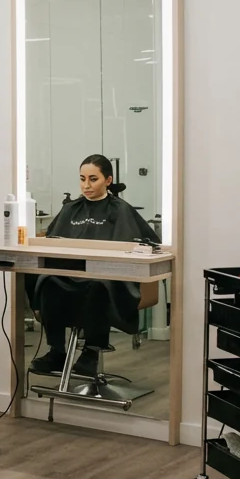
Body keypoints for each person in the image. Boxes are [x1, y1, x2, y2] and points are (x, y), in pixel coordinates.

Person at [30, 155, 161, 376]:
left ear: (108, 180)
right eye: (82, 179)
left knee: (98, 284)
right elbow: (52, 241)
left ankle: (91, 352)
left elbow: (147, 244)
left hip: (109, 276)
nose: (86, 185)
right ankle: (57, 352)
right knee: (48, 281)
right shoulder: (71, 209)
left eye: (93, 179)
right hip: (71, 274)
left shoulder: (121, 210)